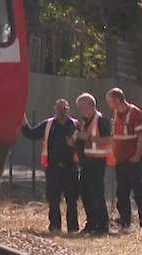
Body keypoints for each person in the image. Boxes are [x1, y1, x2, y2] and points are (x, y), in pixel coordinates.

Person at [21, 99, 80, 233]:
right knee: (53, 200)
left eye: (64, 108)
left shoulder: (75, 124)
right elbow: (31, 134)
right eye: (59, 108)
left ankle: (73, 229)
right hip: (53, 169)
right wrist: (23, 121)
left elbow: (83, 144)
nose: (62, 110)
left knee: (72, 200)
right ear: (55, 109)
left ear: (68, 109)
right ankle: (55, 227)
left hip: (71, 168)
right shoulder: (48, 124)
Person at [106, 87, 142, 231]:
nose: (108, 104)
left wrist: (137, 155)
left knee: (138, 192)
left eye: (110, 100)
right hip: (121, 160)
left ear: (118, 99)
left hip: (133, 160)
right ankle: (125, 223)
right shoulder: (116, 113)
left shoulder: (135, 113)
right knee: (122, 193)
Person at [71, 93, 112, 236]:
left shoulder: (100, 121)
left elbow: (108, 140)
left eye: (82, 106)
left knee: (96, 194)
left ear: (90, 105)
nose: (80, 109)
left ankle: (102, 226)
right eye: (79, 107)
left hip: (97, 162)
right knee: (86, 194)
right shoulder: (84, 122)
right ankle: (91, 224)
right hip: (86, 163)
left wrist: (88, 137)